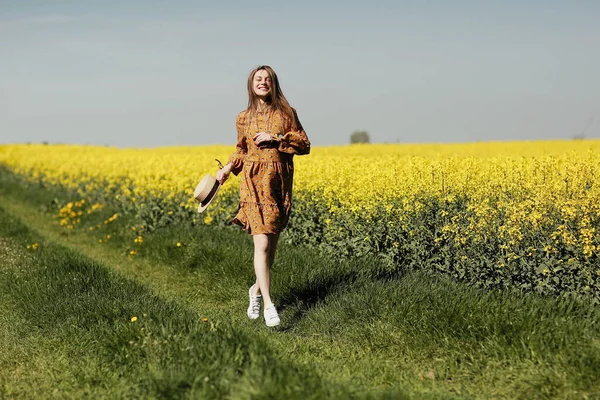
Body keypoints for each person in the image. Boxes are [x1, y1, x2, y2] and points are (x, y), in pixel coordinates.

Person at [216, 65, 310, 327]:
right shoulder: (243, 118)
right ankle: (269, 304)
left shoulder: (287, 114)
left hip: (279, 183)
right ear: (251, 85)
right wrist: (227, 168)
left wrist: (277, 137)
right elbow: (241, 150)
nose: (263, 82)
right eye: (258, 79)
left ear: (274, 84)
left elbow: (304, 144)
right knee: (262, 246)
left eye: (267, 79)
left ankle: (255, 290)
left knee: (272, 250)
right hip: (252, 183)